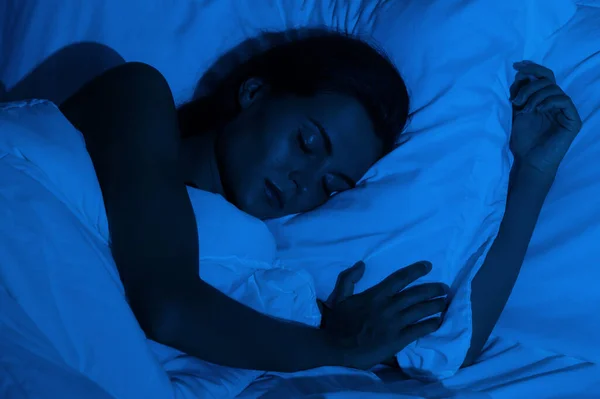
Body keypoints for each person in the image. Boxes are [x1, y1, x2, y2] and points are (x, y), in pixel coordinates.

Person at [59, 28, 582, 373]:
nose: (303, 182)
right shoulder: (136, 94)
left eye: (331, 186)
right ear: (253, 93)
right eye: (307, 143)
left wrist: (533, 174)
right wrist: (335, 349)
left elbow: (446, 346)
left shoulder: (266, 266)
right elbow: (168, 308)